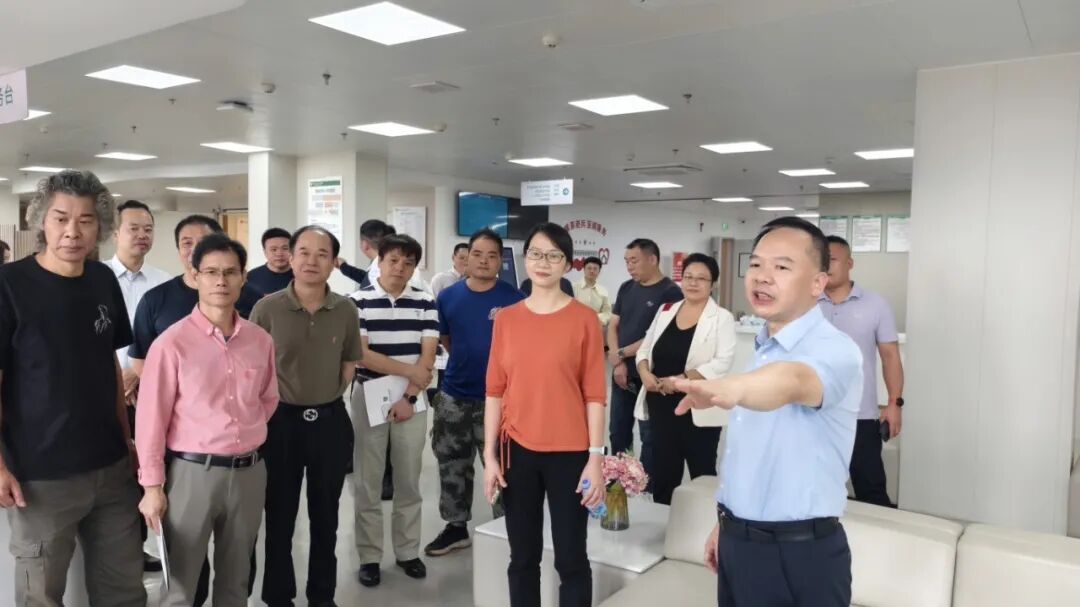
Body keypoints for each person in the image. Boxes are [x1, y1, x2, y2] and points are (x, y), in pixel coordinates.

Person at [674, 216, 862, 607]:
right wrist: (726, 524)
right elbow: (756, 455)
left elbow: (793, 381)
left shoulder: (835, 348)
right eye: (756, 264)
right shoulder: (763, 349)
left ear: (817, 283)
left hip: (798, 555)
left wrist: (730, 388)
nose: (762, 276)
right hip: (740, 542)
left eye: (781, 267)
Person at [0, 170, 145, 606]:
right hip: (41, 476)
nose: (72, 232)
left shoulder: (102, 280)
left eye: (85, 220)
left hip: (110, 468)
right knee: (41, 596)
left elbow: (108, 366)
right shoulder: (9, 285)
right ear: (41, 222)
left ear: (100, 227)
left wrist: (127, 440)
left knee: (124, 591)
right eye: (61, 219)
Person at [136, 233, 278, 606]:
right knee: (181, 586)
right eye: (211, 272)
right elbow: (151, 420)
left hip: (248, 472)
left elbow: (268, 398)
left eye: (230, 272)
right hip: (192, 475)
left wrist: (242, 432)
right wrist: (152, 487)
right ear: (195, 276)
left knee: (236, 580)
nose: (221, 281)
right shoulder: (171, 344)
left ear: (243, 277)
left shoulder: (260, 340)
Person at [483, 222, 606, 607]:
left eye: (554, 256)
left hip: (571, 455)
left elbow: (595, 395)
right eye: (536, 253)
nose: (543, 262)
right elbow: (494, 391)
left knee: (571, 559)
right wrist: (489, 456)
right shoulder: (507, 319)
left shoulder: (585, 319)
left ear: (567, 264)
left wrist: (596, 458)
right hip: (517, 452)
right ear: (525, 259)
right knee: (522, 557)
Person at [251, 226, 362, 607]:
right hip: (280, 424)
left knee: (326, 517)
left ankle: (322, 595)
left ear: (333, 262)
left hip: (329, 423)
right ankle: (278, 595)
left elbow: (349, 362)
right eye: (304, 252)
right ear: (291, 258)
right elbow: (254, 370)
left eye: (322, 254)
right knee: (279, 516)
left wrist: (327, 395)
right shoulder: (267, 309)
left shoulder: (345, 309)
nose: (311, 261)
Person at [426, 228, 524, 557]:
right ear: (466, 258)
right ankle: (456, 527)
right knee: (451, 463)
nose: (483, 261)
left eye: (492, 255)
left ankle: (507, 528)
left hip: (501, 399)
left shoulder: (514, 299)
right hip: (454, 395)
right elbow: (447, 340)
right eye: (477, 254)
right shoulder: (448, 297)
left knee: (503, 467)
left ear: (500, 262)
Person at [349, 234, 437, 587]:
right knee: (368, 481)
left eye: (408, 262)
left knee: (408, 480)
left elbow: (428, 355)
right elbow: (361, 354)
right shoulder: (357, 301)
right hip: (369, 394)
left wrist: (410, 395)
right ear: (379, 262)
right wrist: (410, 372)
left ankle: (407, 551)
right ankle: (370, 556)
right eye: (393, 260)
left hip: (412, 400)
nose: (400, 268)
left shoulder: (426, 301)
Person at [634, 253, 735, 505]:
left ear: (712, 284)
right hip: (661, 403)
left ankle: (705, 523)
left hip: (698, 406)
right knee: (664, 469)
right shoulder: (666, 310)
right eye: (688, 277)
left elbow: (722, 362)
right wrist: (645, 373)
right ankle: (664, 521)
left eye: (701, 278)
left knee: (702, 470)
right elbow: (645, 349)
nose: (693, 283)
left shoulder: (721, 317)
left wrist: (680, 380)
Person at [104, 199, 171, 570]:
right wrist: (121, 376)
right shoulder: (96, 278)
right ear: (116, 233)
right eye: (134, 228)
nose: (142, 235)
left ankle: (145, 546)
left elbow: (167, 340)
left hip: (150, 391)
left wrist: (136, 373)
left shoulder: (163, 283)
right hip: (105, 391)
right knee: (117, 472)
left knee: (149, 470)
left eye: (148, 229)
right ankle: (120, 549)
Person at [820, 235, 904, 507]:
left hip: (860, 416)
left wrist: (894, 404)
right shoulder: (805, 304)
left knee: (871, 490)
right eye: (821, 259)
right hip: (812, 414)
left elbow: (890, 356)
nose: (826, 265)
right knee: (814, 487)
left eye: (832, 259)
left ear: (850, 263)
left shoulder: (875, 304)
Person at [608, 238, 683, 477]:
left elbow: (657, 336)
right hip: (622, 374)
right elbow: (613, 324)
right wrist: (618, 361)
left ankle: (645, 485)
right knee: (618, 431)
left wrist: (621, 353)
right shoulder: (626, 288)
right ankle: (621, 480)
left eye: (634, 261)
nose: (629, 266)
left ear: (652, 259)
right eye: (627, 261)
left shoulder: (671, 292)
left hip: (651, 376)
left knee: (649, 435)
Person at [247, 227, 294, 296]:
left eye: (285, 248)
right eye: (274, 249)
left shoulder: (301, 275)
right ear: (265, 252)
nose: (279, 254)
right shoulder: (250, 277)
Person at [574, 256, 612, 329]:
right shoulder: (574, 288)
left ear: (599, 271)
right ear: (584, 270)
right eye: (589, 268)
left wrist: (597, 318)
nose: (592, 271)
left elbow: (607, 312)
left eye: (595, 269)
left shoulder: (603, 291)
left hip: (595, 327)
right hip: (576, 327)